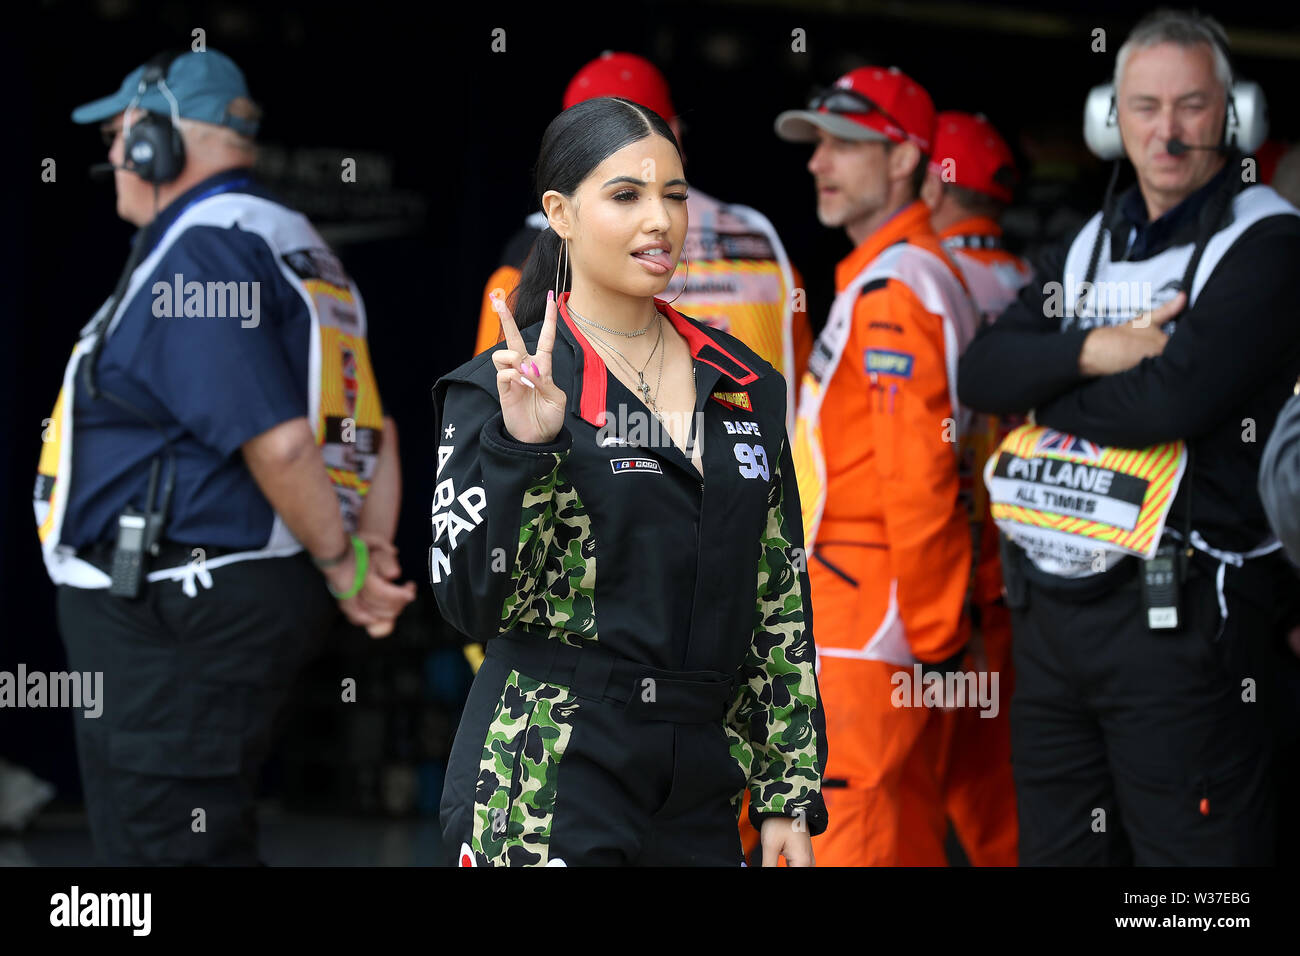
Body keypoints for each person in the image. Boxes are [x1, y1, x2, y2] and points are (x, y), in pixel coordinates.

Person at [38, 49, 415, 864]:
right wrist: (366, 550)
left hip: (177, 605)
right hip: (226, 598)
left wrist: (349, 565)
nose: (110, 156)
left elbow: (280, 440)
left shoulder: (206, 251)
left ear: (159, 143)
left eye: (119, 134)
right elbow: (370, 429)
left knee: (160, 849)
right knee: (202, 835)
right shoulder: (299, 245)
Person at [432, 96, 826, 866]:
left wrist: (787, 790)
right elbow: (471, 602)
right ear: (561, 214)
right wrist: (526, 451)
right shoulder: (504, 387)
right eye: (626, 196)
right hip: (548, 769)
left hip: (699, 776)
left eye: (673, 196)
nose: (661, 221)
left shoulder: (745, 383)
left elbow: (777, 600)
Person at [958, 9, 1300, 864]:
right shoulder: (1085, 247)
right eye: (1145, 106)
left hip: (1183, 622)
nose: (1169, 131)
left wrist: (1050, 393)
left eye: (1192, 105)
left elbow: (1170, 405)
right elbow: (981, 373)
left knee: (1191, 876)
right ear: (1112, 121)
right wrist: (1098, 350)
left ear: (1236, 115)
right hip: (1054, 624)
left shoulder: (1266, 240)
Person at [775, 66, 980, 865]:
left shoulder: (897, 286)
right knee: (899, 830)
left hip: (873, 629)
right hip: (869, 619)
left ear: (904, 160)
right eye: (817, 143)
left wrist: (932, 643)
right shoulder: (886, 276)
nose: (818, 162)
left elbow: (919, 476)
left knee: (855, 836)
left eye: (845, 144)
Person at [922, 110, 1031, 866]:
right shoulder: (1031, 280)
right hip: (1027, 564)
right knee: (1005, 792)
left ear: (936, 180)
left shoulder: (925, 277)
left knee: (919, 789)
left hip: (943, 574)